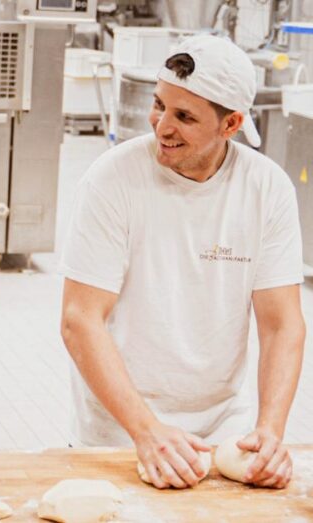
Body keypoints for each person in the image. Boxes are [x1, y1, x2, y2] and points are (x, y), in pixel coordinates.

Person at [60, 34, 305, 489]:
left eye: (184, 117)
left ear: (230, 124)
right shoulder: (113, 180)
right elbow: (80, 319)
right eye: (159, 105)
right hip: (119, 434)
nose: (161, 126)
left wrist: (270, 432)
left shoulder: (266, 189)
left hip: (223, 436)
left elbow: (282, 324)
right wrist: (146, 431)